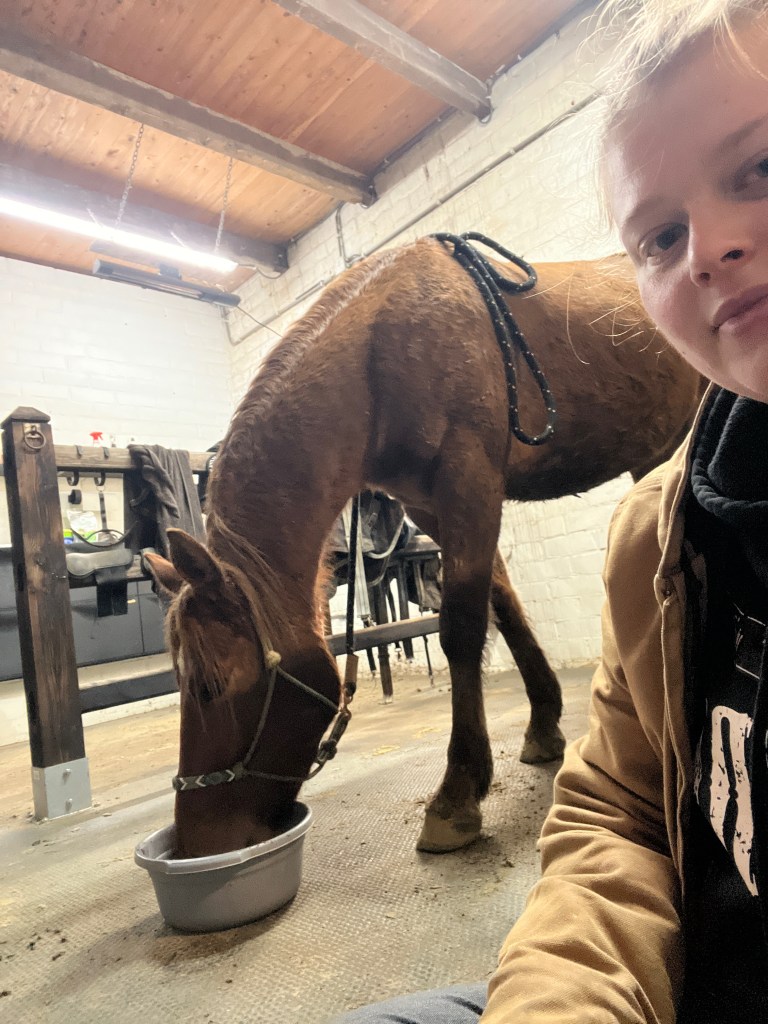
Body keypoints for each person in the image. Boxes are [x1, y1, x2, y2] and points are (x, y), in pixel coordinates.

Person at [328, 1, 768, 1021]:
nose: (707, 249)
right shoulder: (661, 539)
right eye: (660, 236)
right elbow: (618, 813)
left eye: (760, 168)